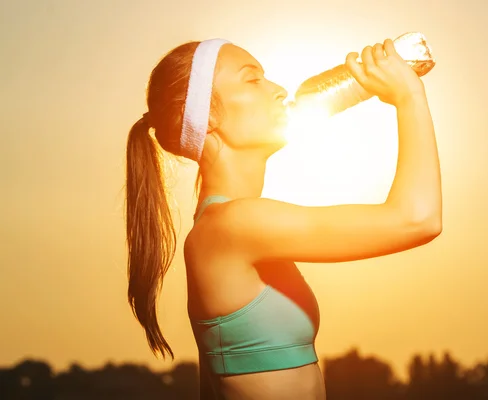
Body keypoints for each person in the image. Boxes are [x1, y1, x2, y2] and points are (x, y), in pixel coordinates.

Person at [124, 36, 442, 400]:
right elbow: (418, 220)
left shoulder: (220, 226)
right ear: (208, 115)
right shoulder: (234, 224)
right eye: (252, 79)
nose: (278, 90)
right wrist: (408, 97)